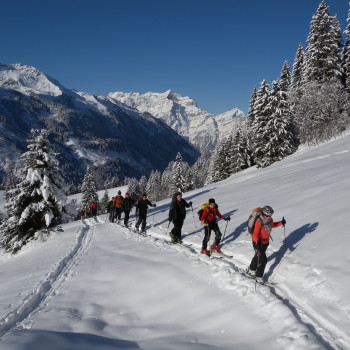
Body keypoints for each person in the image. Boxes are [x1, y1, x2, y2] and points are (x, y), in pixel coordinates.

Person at [248, 206, 286, 280]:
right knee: (263, 260)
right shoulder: (259, 221)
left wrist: (281, 223)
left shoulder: (269, 220)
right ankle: (259, 277)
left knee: (257, 256)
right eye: (267, 216)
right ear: (263, 214)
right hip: (258, 243)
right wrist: (257, 242)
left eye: (270, 216)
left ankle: (251, 270)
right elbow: (255, 234)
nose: (268, 218)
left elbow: (272, 225)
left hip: (266, 242)